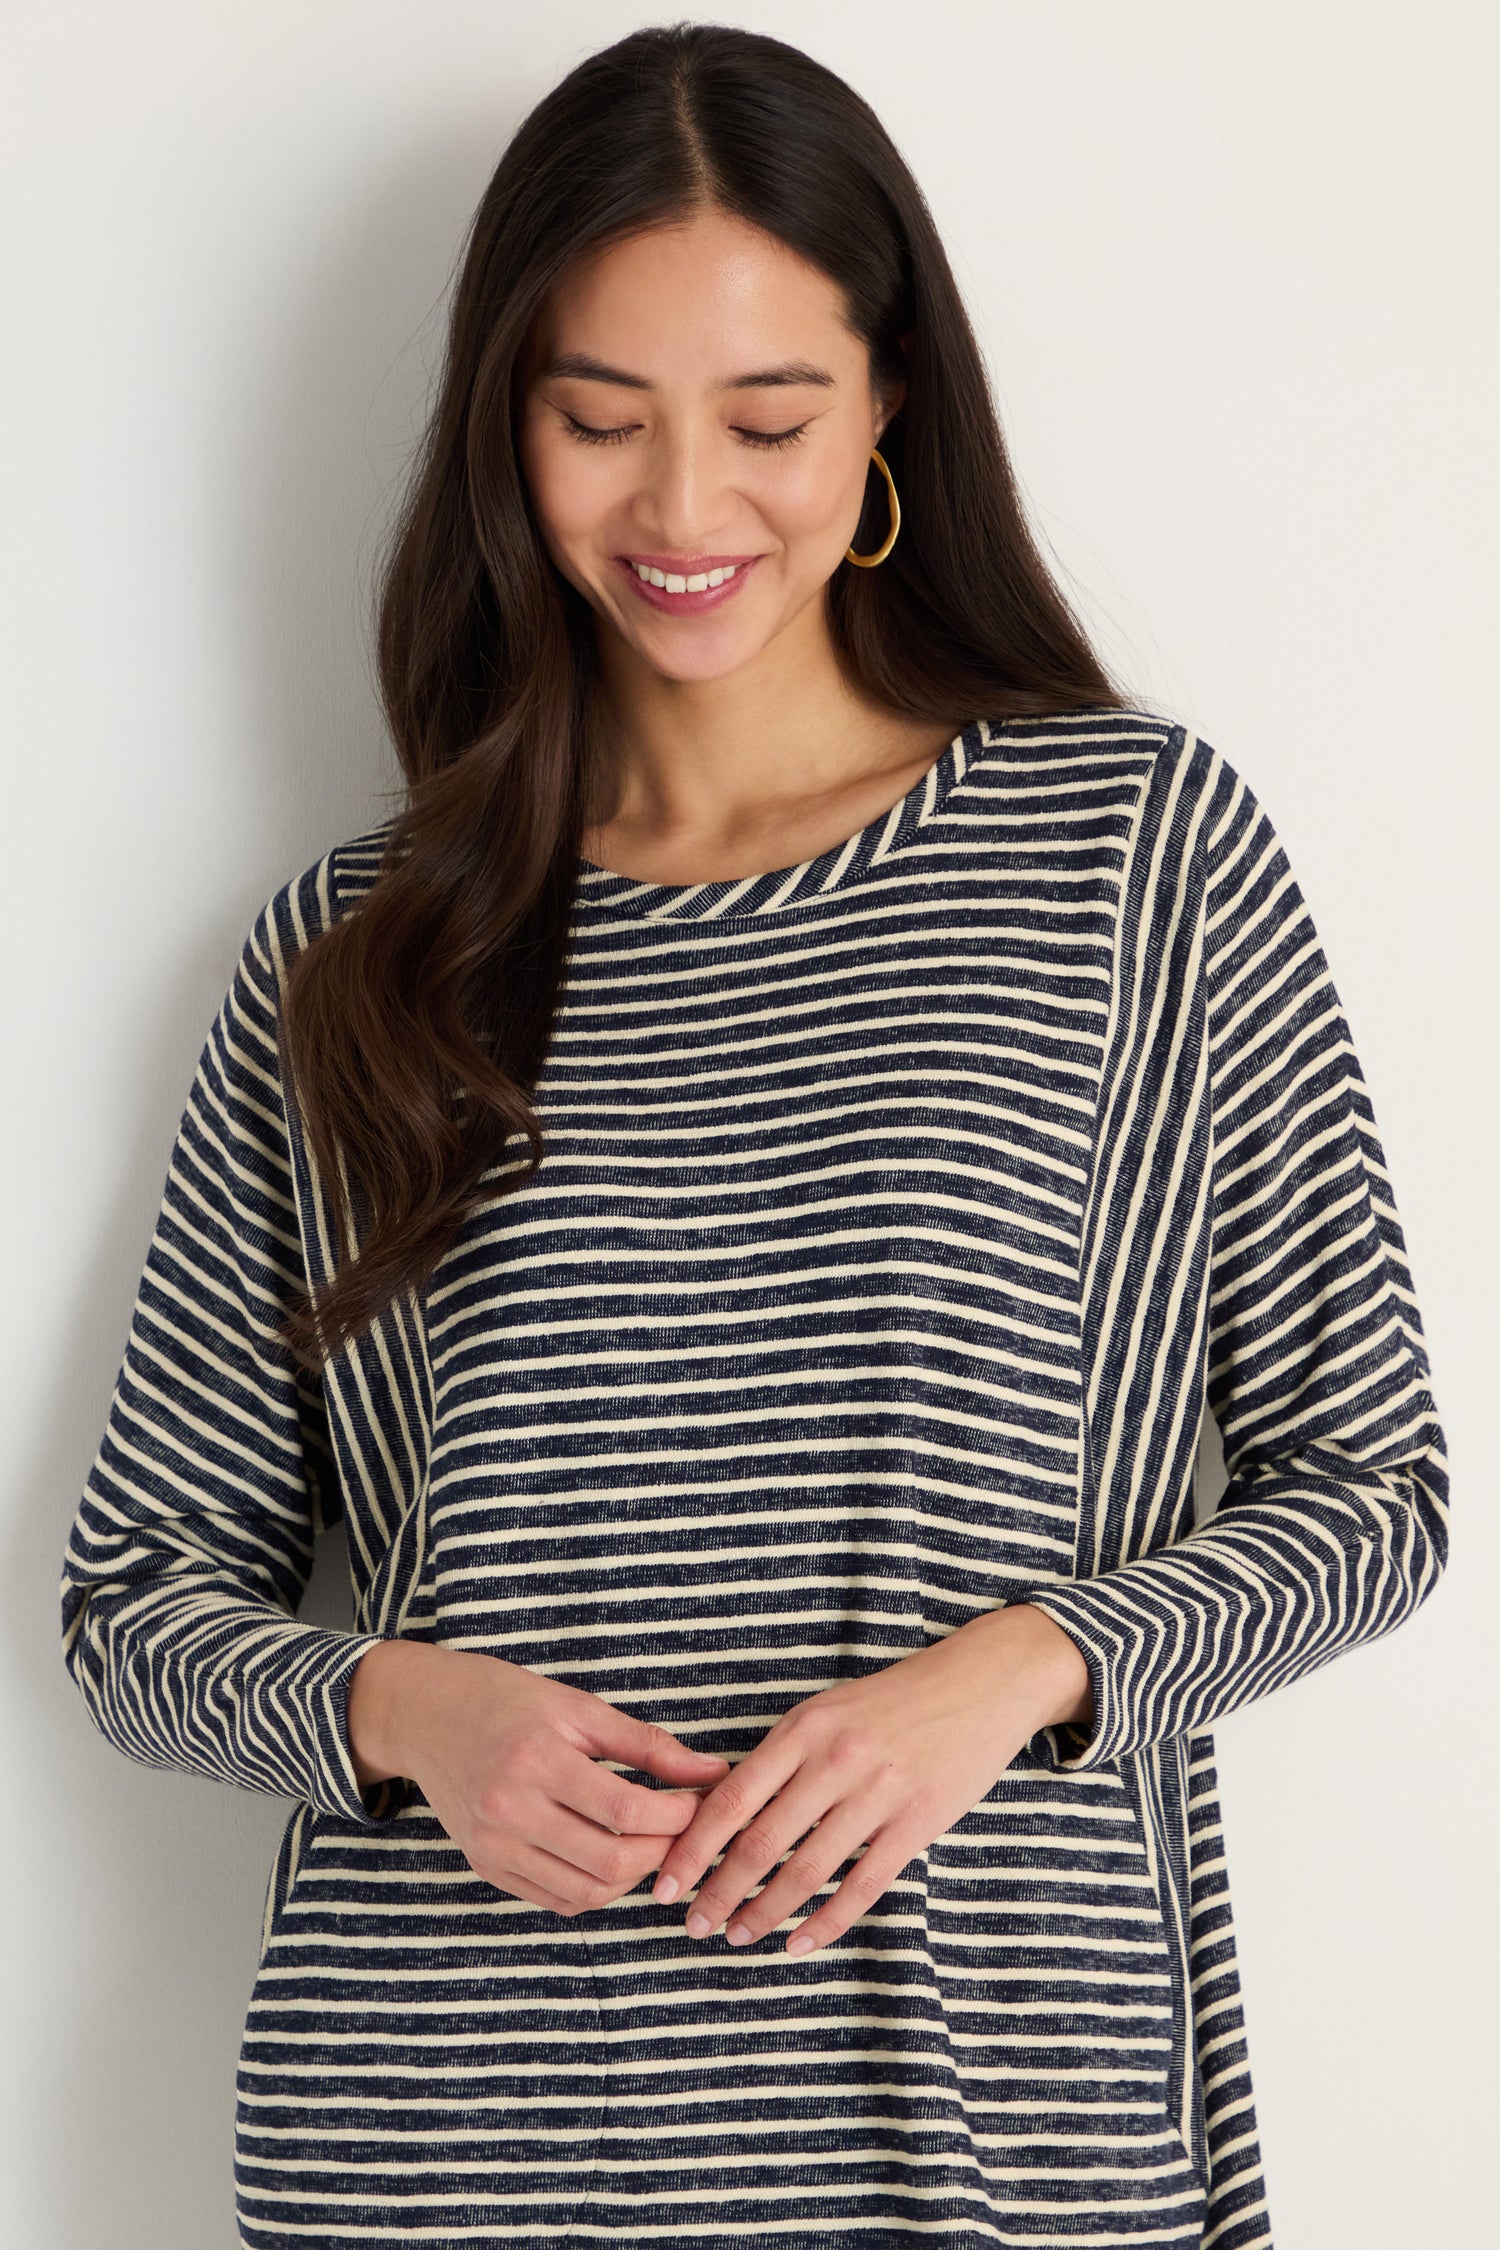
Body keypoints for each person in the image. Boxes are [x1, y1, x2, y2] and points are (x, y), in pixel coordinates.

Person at [58, 21, 1448, 2250]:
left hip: (994, 2121)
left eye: (768, 418)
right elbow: (142, 1607)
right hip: (443, 2136)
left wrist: (1011, 1680)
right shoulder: (356, 950)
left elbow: (1370, 1495)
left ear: (891, 401)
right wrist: (414, 1712)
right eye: (599, 420)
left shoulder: (1131, 855)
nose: (685, 509)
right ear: (506, 430)